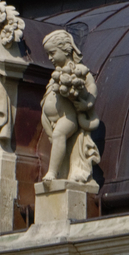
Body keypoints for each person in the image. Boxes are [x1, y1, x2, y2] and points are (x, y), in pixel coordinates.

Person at [40, 30, 100, 183]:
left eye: (52, 53)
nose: (50, 58)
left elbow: (91, 87)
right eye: (48, 54)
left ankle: (52, 173)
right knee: (57, 140)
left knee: (59, 135)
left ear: (65, 49)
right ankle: (61, 170)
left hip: (69, 118)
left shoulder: (78, 71)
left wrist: (88, 104)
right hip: (53, 120)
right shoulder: (57, 74)